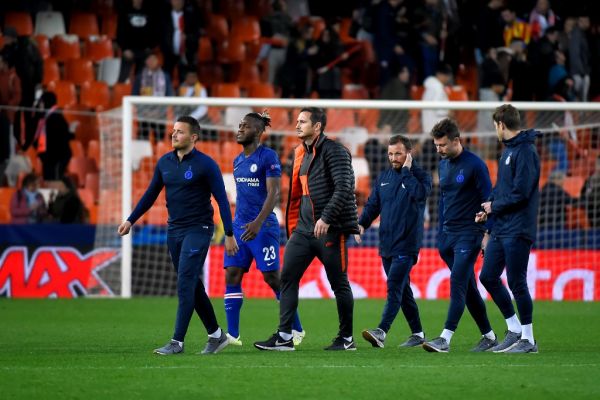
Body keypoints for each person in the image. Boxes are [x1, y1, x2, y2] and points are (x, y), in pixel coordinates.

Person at [117, 115, 239, 355]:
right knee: (192, 284)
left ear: (193, 137)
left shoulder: (206, 164)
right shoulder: (164, 163)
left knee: (184, 282)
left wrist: (230, 233)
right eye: (173, 131)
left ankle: (177, 343)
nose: (174, 134)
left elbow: (222, 199)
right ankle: (216, 335)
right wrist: (131, 219)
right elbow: (150, 195)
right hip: (173, 230)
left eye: (180, 132)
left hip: (199, 229)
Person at [254, 107, 359, 351]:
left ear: (318, 126)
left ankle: (346, 338)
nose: (297, 125)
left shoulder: (336, 151)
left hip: (330, 230)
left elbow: (344, 188)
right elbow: (298, 195)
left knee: (339, 283)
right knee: (287, 278)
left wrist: (327, 218)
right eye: (297, 121)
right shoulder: (300, 153)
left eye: (303, 121)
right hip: (303, 231)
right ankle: (284, 337)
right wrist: (294, 226)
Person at [223, 111, 304, 347]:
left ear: (258, 131)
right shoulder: (237, 161)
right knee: (232, 274)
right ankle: (232, 335)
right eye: (239, 125)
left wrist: (258, 222)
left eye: (245, 126)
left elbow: (274, 192)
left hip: (263, 227)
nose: (240, 129)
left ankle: (295, 329)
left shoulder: (267, 156)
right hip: (240, 228)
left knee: (271, 277)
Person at [422, 118, 498, 353]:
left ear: (456, 140)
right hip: (447, 235)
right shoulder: (443, 164)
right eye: (436, 146)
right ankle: (489, 336)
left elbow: (489, 201)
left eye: (443, 145)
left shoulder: (475, 165)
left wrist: (487, 233)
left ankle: (445, 338)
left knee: (457, 283)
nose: (439, 150)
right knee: (468, 286)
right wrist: (440, 231)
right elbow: (444, 199)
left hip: (469, 233)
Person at [476, 104, 540, 354]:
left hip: (518, 227)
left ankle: (529, 339)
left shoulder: (525, 152)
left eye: (495, 126)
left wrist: (495, 206)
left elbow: (522, 193)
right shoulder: (509, 152)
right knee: (487, 276)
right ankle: (514, 329)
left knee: (516, 282)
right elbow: (502, 188)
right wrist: (488, 210)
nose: (495, 131)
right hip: (502, 227)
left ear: (501, 124)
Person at [357, 135, 431, 349]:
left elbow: (420, 195)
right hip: (386, 243)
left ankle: (381, 331)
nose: (393, 158)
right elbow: (372, 205)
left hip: (407, 244)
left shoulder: (420, 176)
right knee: (403, 290)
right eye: (390, 154)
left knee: (394, 286)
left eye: (398, 153)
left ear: (409, 153)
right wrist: (362, 224)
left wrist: (407, 172)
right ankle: (418, 333)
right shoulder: (384, 178)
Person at [34, 92, 73, 181]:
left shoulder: (56, 117)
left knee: (54, 182)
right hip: (50, 158)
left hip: (56, 158)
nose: (40, 105)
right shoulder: (47, 116)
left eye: (41, 102)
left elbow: (63, 138)